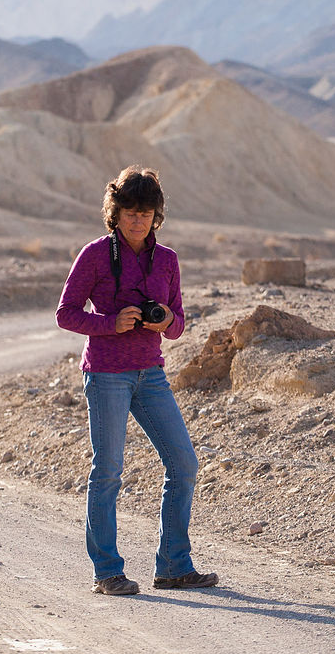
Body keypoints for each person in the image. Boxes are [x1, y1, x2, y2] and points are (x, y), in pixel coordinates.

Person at [55, 165, 217, 596]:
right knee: (108, 471)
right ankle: (106, 572)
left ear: (156, 215)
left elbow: (180, 323)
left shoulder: (168, 260)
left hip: (151, 375)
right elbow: (65, 313)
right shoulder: (94, 254)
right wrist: (111, 323)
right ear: (115, 212)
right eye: (129, 211)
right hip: (106, 374)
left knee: (184, 464)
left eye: (145, 212)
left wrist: (165, 321)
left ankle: (173, 567)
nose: (137, 220)